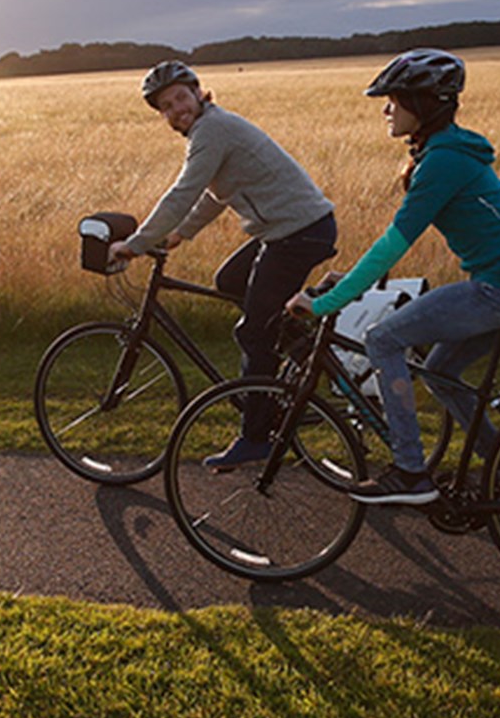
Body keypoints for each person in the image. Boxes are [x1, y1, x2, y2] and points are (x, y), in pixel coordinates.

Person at [287, 49, 500, 505]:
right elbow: (392, 245)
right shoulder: (442, 153)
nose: (386, 109)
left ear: (424, 105)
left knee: (383, 340)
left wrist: (328, 304)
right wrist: (347, 280)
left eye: (395, 99)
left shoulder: (442, 163)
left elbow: (394, 242)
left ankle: (411, 471)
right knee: (439, 370)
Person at [112, 60, 337, 469]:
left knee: (253, 333)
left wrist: (135, 244)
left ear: (198, 92)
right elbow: (217, 193)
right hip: (294, 229)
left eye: (181, 97)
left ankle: (255, 438)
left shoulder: (212, 130)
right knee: (230, 279)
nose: (176, 108)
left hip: (296, 232)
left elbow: (184, 191)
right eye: (166, 106)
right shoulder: (211, 128)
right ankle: (301, 350)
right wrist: (181, 233)